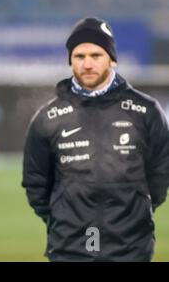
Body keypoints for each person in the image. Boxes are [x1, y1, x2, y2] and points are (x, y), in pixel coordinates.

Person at [22, 17, 169, 262]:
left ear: (112, 58)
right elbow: (36, 183)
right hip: (69, 250)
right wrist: (62, 218)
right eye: (79, 56)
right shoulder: (48, 117)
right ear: (70, 61)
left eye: (96, 55)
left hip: (131, 249)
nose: (87, 64)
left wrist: (137, 212)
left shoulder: (146, 111)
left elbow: (160, 175)